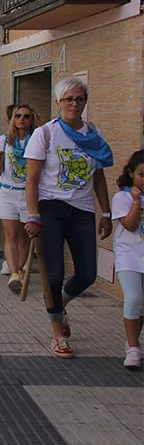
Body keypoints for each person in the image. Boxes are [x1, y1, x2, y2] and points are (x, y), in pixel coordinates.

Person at [24, 78, 113, 359]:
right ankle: (57, 333)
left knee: (87, 273)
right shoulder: (45, 134)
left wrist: (106, 212)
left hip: (82, 210)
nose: (75, 104)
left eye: (80, 99)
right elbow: (32, 179)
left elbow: (98, 176)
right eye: (69, 99)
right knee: (53, 273)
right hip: (50, 208)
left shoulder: (93, 133)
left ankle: (59, 303)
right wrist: (33, 215)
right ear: (59, 102)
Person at [0, 104, 41, 292]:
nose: (22, 119)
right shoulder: (4, 140)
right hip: (8, 191)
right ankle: (14, 274)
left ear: (32, 119)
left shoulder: (38, 138)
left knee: (26, 236)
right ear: (12, 119)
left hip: (29, 192)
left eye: (26, 116)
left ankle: (18, 269)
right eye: (18, 116)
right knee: (11, 234)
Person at [112, 149, 144, 369]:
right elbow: (130, 225)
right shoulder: (122, 197)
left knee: (142, 304)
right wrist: (136, 202)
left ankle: (133, 342)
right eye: (142, 174)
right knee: (133, 299)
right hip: (129, 256)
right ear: (131, 173)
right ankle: (133, 348)